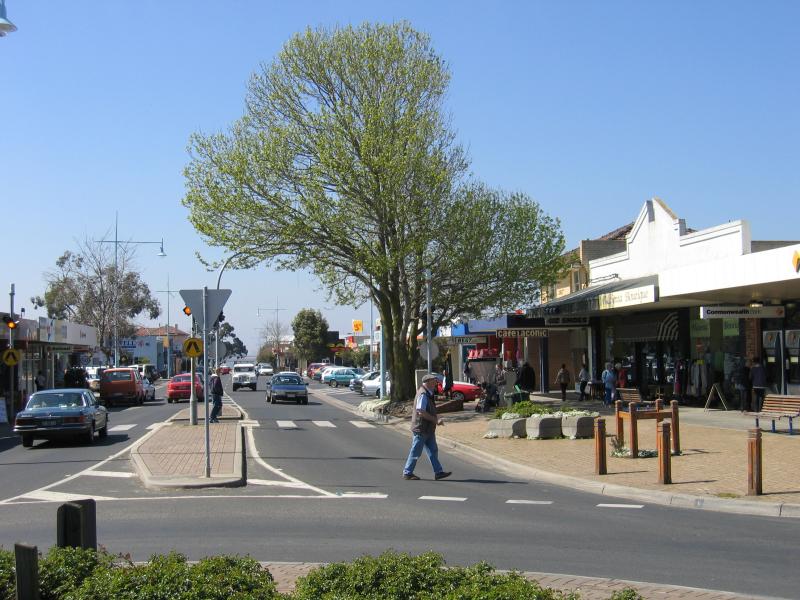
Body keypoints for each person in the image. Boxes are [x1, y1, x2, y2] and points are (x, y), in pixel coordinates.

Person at [403, 373, 451, 481]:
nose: (436, 383)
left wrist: (436, 417)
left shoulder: (428, 393)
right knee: (416, 451)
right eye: (434, 381)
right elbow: (421, 412)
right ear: (428, 382)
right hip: (421, 429)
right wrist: (435, 420)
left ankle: (438, 472)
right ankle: (407, 472)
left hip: (427, 429)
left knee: (433, 450)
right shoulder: (423, 394)